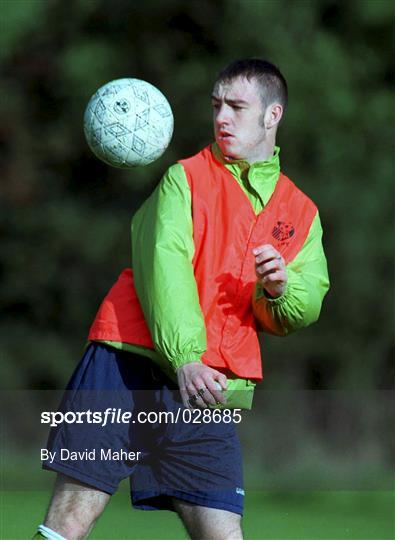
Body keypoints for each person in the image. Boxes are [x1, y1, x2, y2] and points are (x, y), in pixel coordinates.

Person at [34, 59, 329, 540]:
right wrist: (186, 356)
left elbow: (303, 304)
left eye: (236, 106)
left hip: (208, 385)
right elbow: (163, 270)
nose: (222, 118)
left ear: (273, 116)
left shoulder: (301, 211)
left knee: (222, 533)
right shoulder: (184, 178)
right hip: (125, 362)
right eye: (216, 106)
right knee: (69, 522)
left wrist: (280, 291)